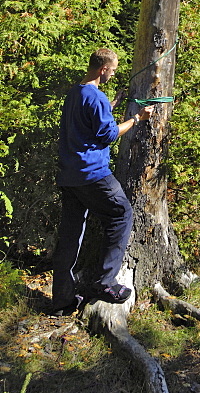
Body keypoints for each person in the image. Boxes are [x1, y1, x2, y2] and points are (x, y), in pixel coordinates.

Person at [51, 48, 154, 314]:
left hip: (69, 175)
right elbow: (107, 134)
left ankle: (62, 299)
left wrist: (112, 104)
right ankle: (105, 282)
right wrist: (136, 118)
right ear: (103, 69)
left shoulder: (76, 93)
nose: (114, 73)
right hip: (92, 174)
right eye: (113, 70)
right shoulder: (95, 97)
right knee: (121, 214)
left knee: (71, 235)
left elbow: (86, 121)